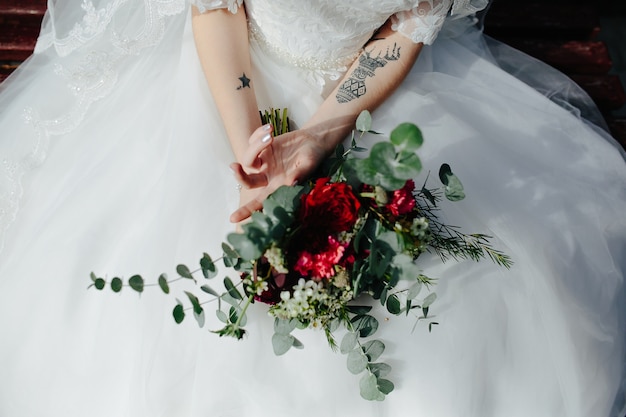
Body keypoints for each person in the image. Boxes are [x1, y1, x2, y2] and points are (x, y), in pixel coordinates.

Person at [0, 0, 624, 416]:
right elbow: (216, 10)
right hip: (233, 72)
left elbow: (405, 28)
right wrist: (254, 153)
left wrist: (320, 135)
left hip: (373, 92)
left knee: (489, 287)